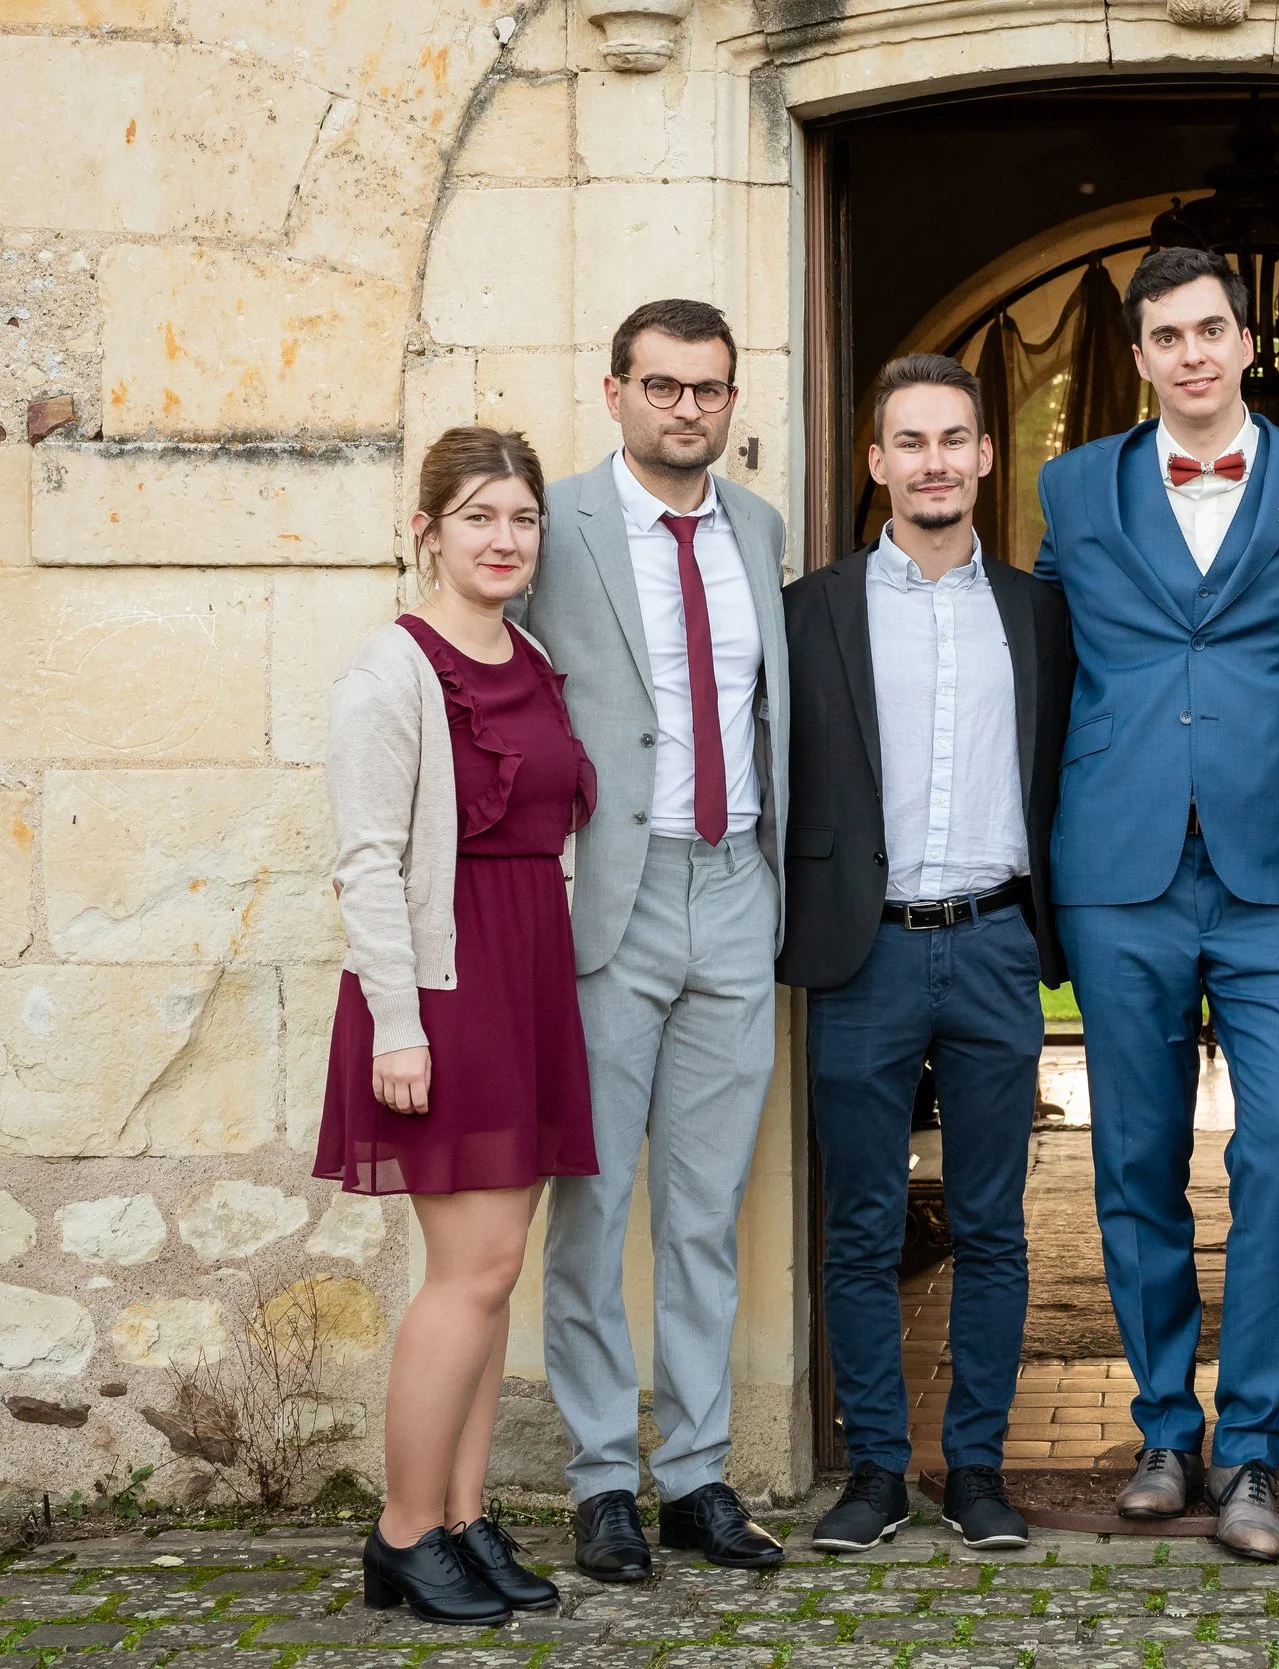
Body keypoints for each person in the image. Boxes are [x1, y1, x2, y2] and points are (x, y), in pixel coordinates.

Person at [1032, 246, 1279, 1560]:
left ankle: (1255, 1452)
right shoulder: (1072, 487)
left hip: (1278, 869)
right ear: (1137, 357)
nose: (1191, 354)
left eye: (1212, 331)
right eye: (1166, 336)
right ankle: (1165, 1428)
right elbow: (1046, 665)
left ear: (1245, 344)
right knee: (1134, 1162)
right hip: (1120, 866)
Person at [516, 299, 792, 1579]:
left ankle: (695, 1475)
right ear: (617, 389)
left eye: (712, 390)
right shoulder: (555, 525)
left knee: (703, 1209)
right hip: (610, 900)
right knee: (595, 1202)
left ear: (733, 403)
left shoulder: (756, 527)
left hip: (737, 886)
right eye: (667, 386)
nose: (690, 409)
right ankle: (599, 1481)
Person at [781, 355, 1075, 1555]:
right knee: (860, 1226)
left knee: (997, 1225)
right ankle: (872, 1471)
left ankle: (981, 1470)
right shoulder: (814, 610)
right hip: (867, 953)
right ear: (877, 463)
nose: (935, 462)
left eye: (955, 439)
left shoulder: (1041, 615)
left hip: (998, 944)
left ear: (986, 457)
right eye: (911, 442)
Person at [321, 426, 596, 1627]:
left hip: (530, 974)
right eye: (479, 515)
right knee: (468, 1272)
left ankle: (464, 1516)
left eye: (522, 518)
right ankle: (399, 1533)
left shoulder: (532, 655)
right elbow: (367, 863)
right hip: (443, 989)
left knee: (495, 1278)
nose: (504, 538)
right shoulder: (391, 671)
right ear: (427, 528)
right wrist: (399, 1025)